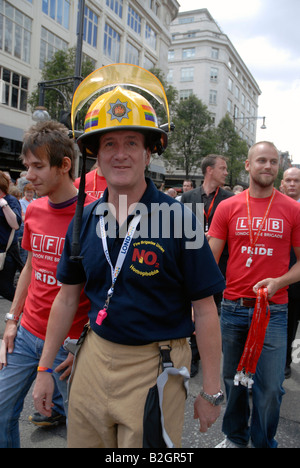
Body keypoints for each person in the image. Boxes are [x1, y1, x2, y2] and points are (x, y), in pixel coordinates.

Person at [32, 68, 225, 449]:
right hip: (93, 356)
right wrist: (44, 369)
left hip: (155, 363)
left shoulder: (180, 219)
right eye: (109, 145)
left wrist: (212, 391)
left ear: (149, 152)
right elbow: (67, 298)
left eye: (132, 143)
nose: (120, 154)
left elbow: (205, 309)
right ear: (96, 156)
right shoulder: (83, 219)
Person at [0, 121, 95, 448]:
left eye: (38, 166)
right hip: (26, 335)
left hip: (71, 345)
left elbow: (105, 288)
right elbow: (30, 266)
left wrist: (87, 344)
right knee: (1, 412)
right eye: (27, 167)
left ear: (64, 165)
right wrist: (12, 320)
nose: (28, 175)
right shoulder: (35, 210)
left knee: (82, 432)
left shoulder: (93, 216)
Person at [208, 141, 300, 448]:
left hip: (274, 311)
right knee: (233, 383)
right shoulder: (228, 206)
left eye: (273, 162)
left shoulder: (292, 209)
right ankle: (235, 438)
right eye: (261, 160)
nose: (268, 166)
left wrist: (280, 281)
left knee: (270, 388)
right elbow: (210, 257)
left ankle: (263, 442)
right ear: (248, 165)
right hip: (233, 308)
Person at [181, 155, 234, 377]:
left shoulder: (230, 200)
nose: (226, 172)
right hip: (192, 263)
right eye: (222, 168)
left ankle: (208, 352)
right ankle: (193, 355)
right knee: (193, 310)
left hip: (221, 265)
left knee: (212, 311)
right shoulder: (187, 197)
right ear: (209, 170)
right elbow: (177, 230)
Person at [281, 167, 300, 378]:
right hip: (274, 275)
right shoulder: (274, 206)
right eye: (289, 180)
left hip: (296, 277)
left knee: (291, 322)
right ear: (283, 183)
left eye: (296, 181)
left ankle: (287, 360)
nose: (292, 184)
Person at [0, 171, 23, 301]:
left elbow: (15, 224)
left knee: (5, 288)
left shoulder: (10, 201)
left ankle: (24, 307)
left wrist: (4, 206)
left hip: (6, 253)